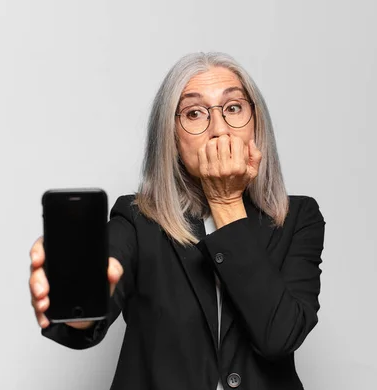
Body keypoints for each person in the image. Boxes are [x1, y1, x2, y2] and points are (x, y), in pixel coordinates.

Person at [29, 52, 325, 390]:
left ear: (256, 123)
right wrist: (76, 301)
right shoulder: (138, 219)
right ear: (171, 137)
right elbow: (94, 301)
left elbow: (279, 337)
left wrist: (225, 201)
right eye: (195, 113)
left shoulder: (298, 217)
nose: (219, 129)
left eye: (233, 108)